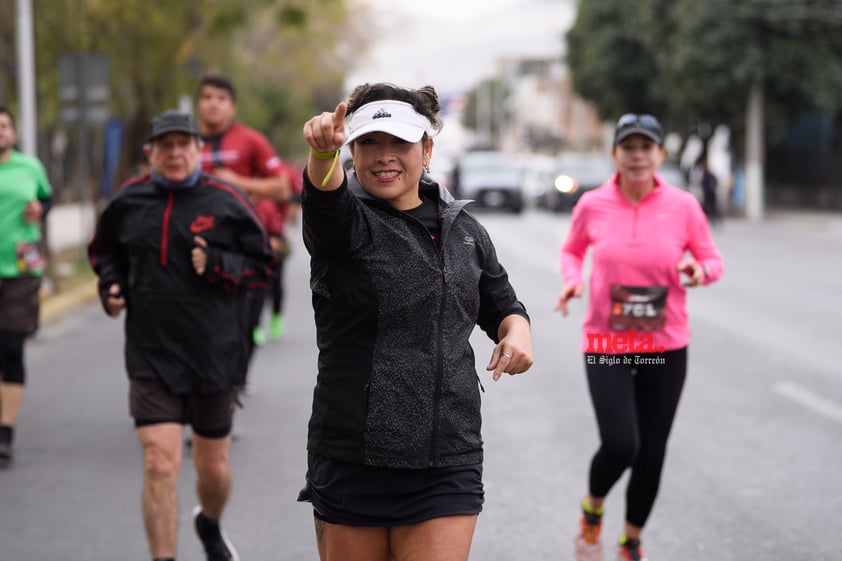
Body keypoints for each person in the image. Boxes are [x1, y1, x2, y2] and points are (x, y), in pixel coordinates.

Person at [297, 82, 535, 561]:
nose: (384, 156)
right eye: (369, 142)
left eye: (399, 143)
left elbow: (502, 303)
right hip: (352, 457)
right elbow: (324, 197)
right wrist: (322, 155)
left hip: (446, 457)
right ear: (353, 150)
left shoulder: (464, 230)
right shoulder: (345, 223)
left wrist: (517, 332)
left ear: (426, 148)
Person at [87, 110, 273, 561]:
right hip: (151, 353)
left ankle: (209, 524)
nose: (174, 153)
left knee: (213, 469)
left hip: (214, 353)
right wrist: (111, 287)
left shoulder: (227, 200)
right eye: (164, 145)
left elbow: (261, 265)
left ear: (197, 149)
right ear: (150, 152)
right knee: (158, 462)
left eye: (182, 144)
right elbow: (103, 251)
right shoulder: (128, 202)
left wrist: (218, 265)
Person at [555, 113, 724, 561]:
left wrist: (697, 271)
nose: (637, 156)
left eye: (645, 147)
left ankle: (631, 540)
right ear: (615, 154)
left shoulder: (684, 205)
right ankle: (592, 510)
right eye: (628, 147)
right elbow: (572, 250)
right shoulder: (592, 204)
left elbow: (712, 260)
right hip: (607, 342)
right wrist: (573, 279)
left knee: (651, 452)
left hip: (665, 344)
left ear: (660, 155)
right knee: (621, 444)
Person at [194, 74, 292, 350]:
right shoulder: (184, 143)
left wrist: (239, 183)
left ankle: (232, 383)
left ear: (232, 107)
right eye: (207, 98)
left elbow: (282, 187)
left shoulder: (251, 140)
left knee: (240, 326)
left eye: (221, 99)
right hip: (194, 241)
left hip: (239, 246)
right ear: (198, 104)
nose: (213, 104)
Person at [0, 106, 53, 467]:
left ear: (14, 132)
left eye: (4, 125)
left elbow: (47, 197)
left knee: (11, 345)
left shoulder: (29, 167)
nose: (0, 131)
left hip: (21, 270)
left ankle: (5, 433)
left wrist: (40, 209)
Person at [699, 156, 720, 226]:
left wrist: (713, 187)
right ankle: (704, 220)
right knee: (706, 209)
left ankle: (716, 221)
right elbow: (702, 184)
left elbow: (715, 182)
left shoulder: (711, 175)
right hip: (706, 194)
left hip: (712, 194)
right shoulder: (704, 175)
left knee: (713, 208)